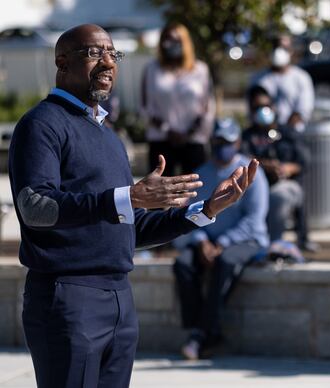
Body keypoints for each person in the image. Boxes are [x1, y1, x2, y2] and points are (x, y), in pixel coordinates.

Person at [9, 24, 257, 388]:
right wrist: (126, 198)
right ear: (61, 61)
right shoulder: (42, 125)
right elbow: (35, 207)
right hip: (69, 297)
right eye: (94, 53)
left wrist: (206, 210)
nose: (108, 62)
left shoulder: (110, 137)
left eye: (113, 53)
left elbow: (129, 225)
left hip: (120, 300)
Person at [173, 118, 269, 360]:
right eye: (217, 141)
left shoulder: (252, 172)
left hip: (244, 241)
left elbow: (254, 220)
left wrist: (223, 243)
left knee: (225, 262)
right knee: (183, 264)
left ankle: (201, 334)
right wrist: (202, 240)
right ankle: (200, 330)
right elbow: (190, 213)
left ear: (237, 142)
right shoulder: (201, 173)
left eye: (227, 141)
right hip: (207, 242)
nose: (221, 146)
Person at [241, 85, 318, 252]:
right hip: (259, 185)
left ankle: (286, 240)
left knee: (280, 196)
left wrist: (288, 168)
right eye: (257, 108)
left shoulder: (287, 132)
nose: (262, 111)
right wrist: (265, 166)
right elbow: (242, 159)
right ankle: (264, 241)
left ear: (273, 107)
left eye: (265, 106)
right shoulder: (248, 136)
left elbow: (304, 160)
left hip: (288, 183)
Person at [141, 22, 215, 175]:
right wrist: (168, 131)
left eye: (177, 40)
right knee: (160, 192)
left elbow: (208, 107)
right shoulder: (151, 69)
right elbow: (145, 107)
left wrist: (188, 134)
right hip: (161, 141)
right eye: (168, 39)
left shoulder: (200, 70)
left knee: (194, 191)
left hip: (193, 141)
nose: (172, 44)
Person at [250, 34, 314, 132]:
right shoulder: (258, 79)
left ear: (291, 51)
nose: (278, 51)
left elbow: (304, 110)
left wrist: (285, 130)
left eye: (284, 48)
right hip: (265, 134)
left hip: (292, 134)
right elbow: (253, 110)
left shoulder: (302, 78)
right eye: (276, 47)